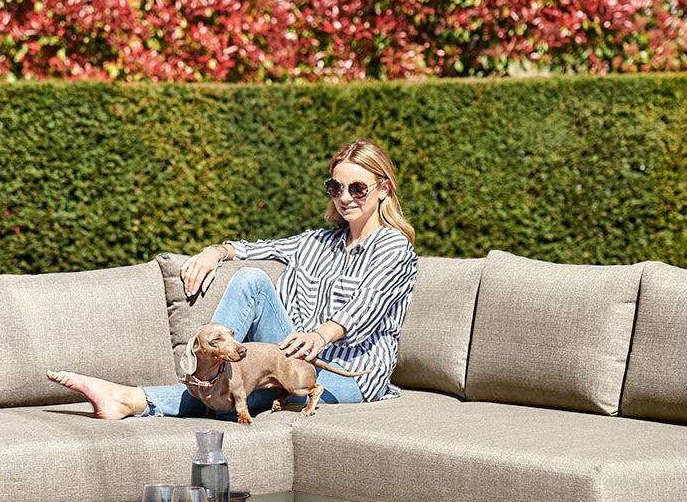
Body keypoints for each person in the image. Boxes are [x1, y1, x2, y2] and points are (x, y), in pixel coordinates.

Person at [47, 138, 418, 419]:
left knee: (235, 399)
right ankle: (185, 381)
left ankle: (135, 398)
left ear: (384, 188)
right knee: (250, 279)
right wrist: (216, 252)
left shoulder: (392, 246)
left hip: (348, 374)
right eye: (336, 188)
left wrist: (319, 335)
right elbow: (258, 248)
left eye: (358, 188)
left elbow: (365, 308)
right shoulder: (317, 241)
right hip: (287, 357)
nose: (345, 198)